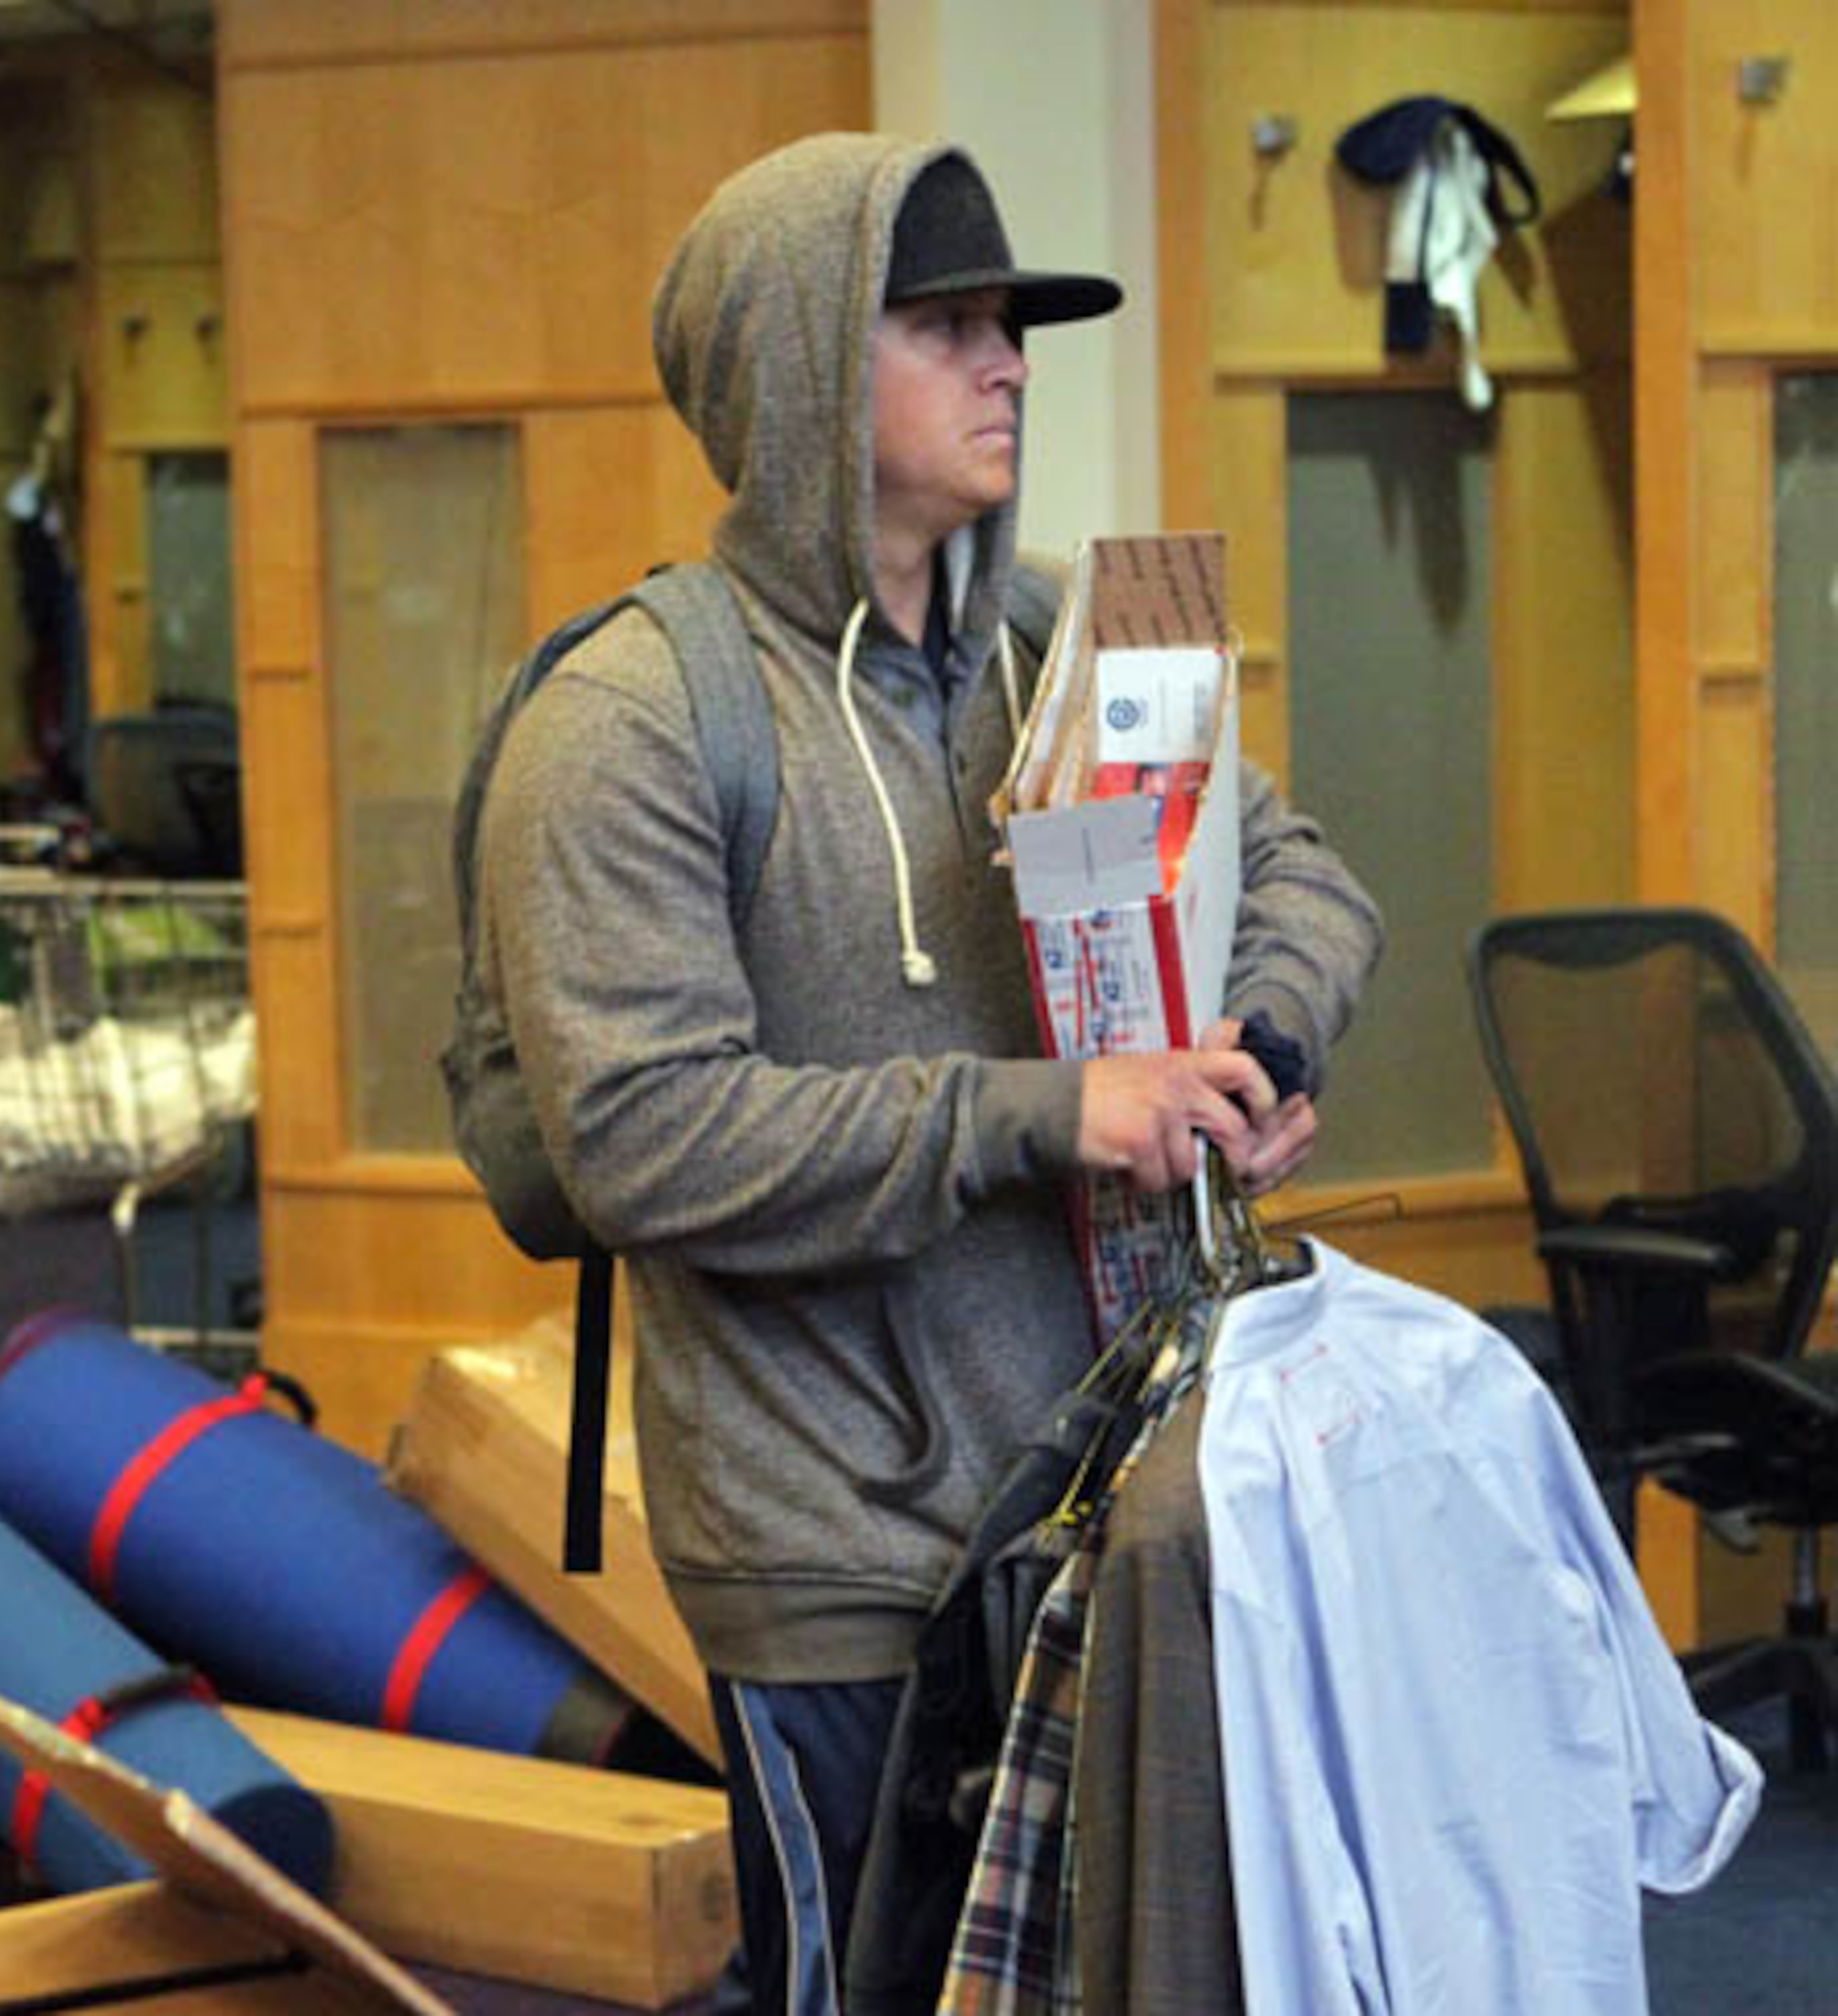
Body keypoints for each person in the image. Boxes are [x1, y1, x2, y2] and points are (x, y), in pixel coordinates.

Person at [477, 134, 1383, 2010]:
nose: (1010, 363)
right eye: (948, 323)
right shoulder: (630, 723)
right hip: (829, 1539)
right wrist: (1051, 1111)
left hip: (1097, 1493)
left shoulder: (1063, 644)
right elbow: (642, 1134)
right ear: (806, 366)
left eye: (1014, 326)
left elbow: (1300, 872)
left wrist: (1251, 1046)